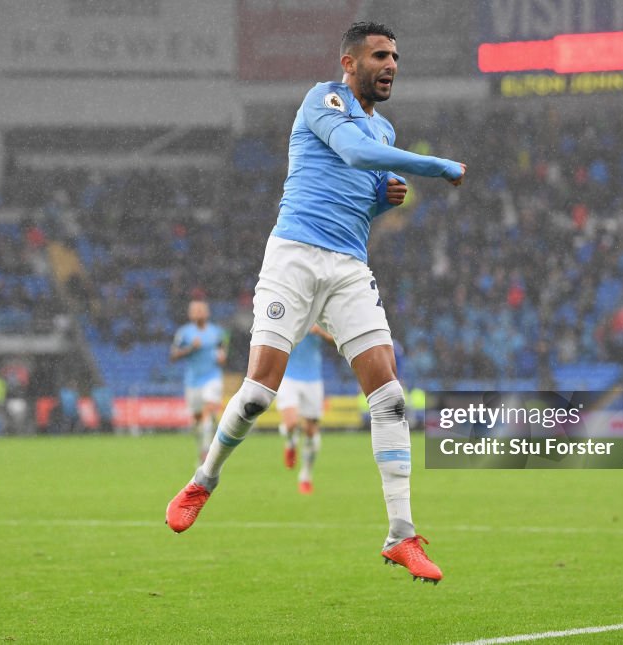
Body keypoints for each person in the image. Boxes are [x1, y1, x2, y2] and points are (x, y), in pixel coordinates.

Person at [166, 21, 465, 584]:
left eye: (396, 56)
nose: (391, 64)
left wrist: (384, 202)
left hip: (348, 267)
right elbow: (350, 153)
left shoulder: (386, 129)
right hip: (295, 258)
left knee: (391, 397)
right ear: (350, 64)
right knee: (257, 394)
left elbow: (357, 199)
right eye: (379, 55)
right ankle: (205, 478)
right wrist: (437, 166)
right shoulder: (323, 99)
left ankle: (401, 535)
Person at [278, 324, 334, 495]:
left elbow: (337, 341)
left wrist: (320, 332)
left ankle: (305, 476)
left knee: (311, 433)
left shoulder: (323, 315)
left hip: (313, 380)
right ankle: (290, 442)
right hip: (288, 376)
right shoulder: (293, 310)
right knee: (291, 423)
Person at [170, 299, 226, 463]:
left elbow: (222, 352)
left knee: (207, 414)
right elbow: (173, 356)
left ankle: (206, 453)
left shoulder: (217, 332)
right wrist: (190, 349)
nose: (199, 313)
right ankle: (202, 445)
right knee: (196, 421)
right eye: (196, 310)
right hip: (193, 381)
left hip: (212, 377)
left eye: (202, 310)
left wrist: (222, 357)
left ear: (207, 313)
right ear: (190, 314)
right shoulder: (184, 333)